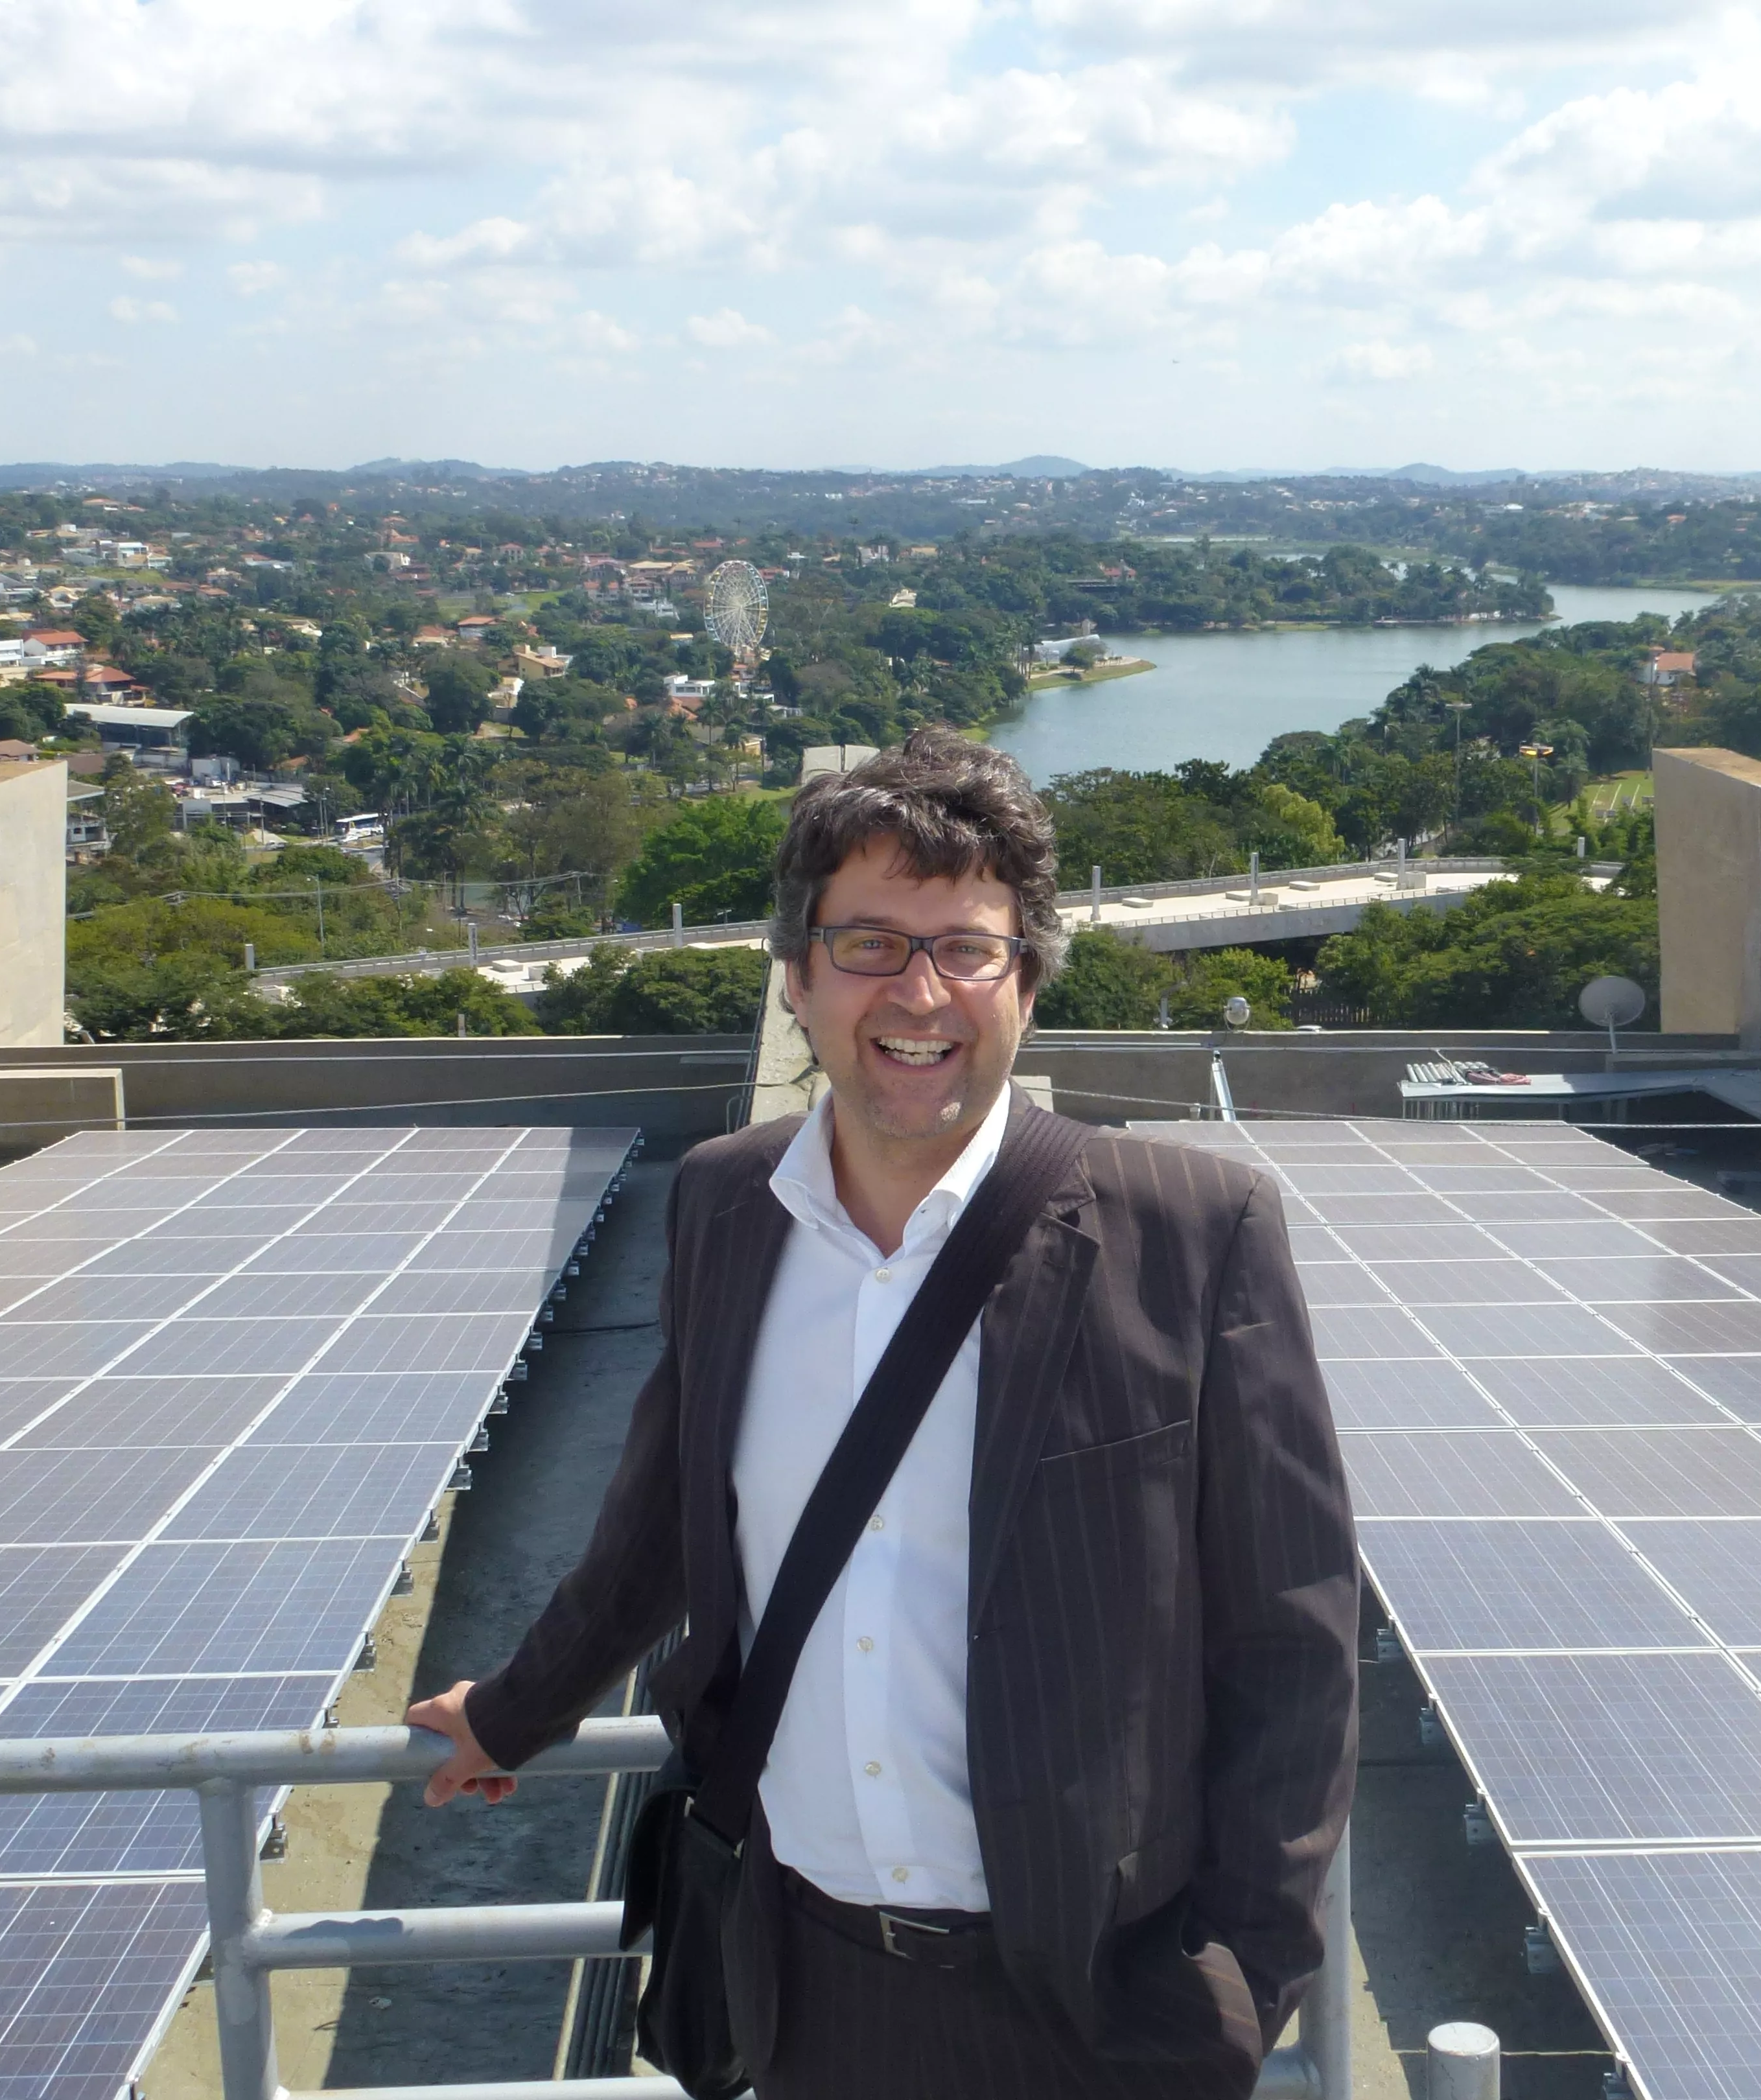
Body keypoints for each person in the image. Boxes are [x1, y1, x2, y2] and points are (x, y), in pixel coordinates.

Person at [408, 727, 1357, 2099]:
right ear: (797, 978)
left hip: (1101, 2001)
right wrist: (514, 1710)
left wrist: (1231, 1992)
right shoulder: (726, 1207)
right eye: (868, 946)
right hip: (804, 1983)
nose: (921, 992)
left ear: (1025, 980)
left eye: (966, 947)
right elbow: (664, 1525)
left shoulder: (1194, 1231)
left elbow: (1295, 1642)